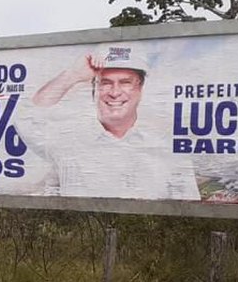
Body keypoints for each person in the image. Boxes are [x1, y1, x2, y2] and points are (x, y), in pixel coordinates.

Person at [24, 42, 200, 200]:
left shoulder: (168, 150)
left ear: (140, 89)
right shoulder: (69, 142)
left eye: (125, 83)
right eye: (105, 83)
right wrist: (72, 75)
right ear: (94, 89)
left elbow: (189, 211)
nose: (115, 92)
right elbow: (27, 120)